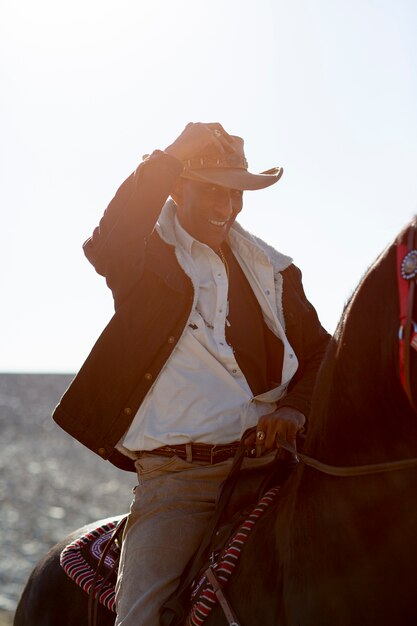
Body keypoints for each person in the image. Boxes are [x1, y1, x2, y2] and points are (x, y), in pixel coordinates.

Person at [53, 121, 331, 625]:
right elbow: (110, 234)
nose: (226, 206)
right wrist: (174, 153)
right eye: (211, 190)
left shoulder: (273, 270)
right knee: (141, 618)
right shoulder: (143, 260)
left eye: (235, 193)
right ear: (177, 187)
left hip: (277, 468)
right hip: (182, 483)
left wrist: (294, 406)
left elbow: (321, 353)